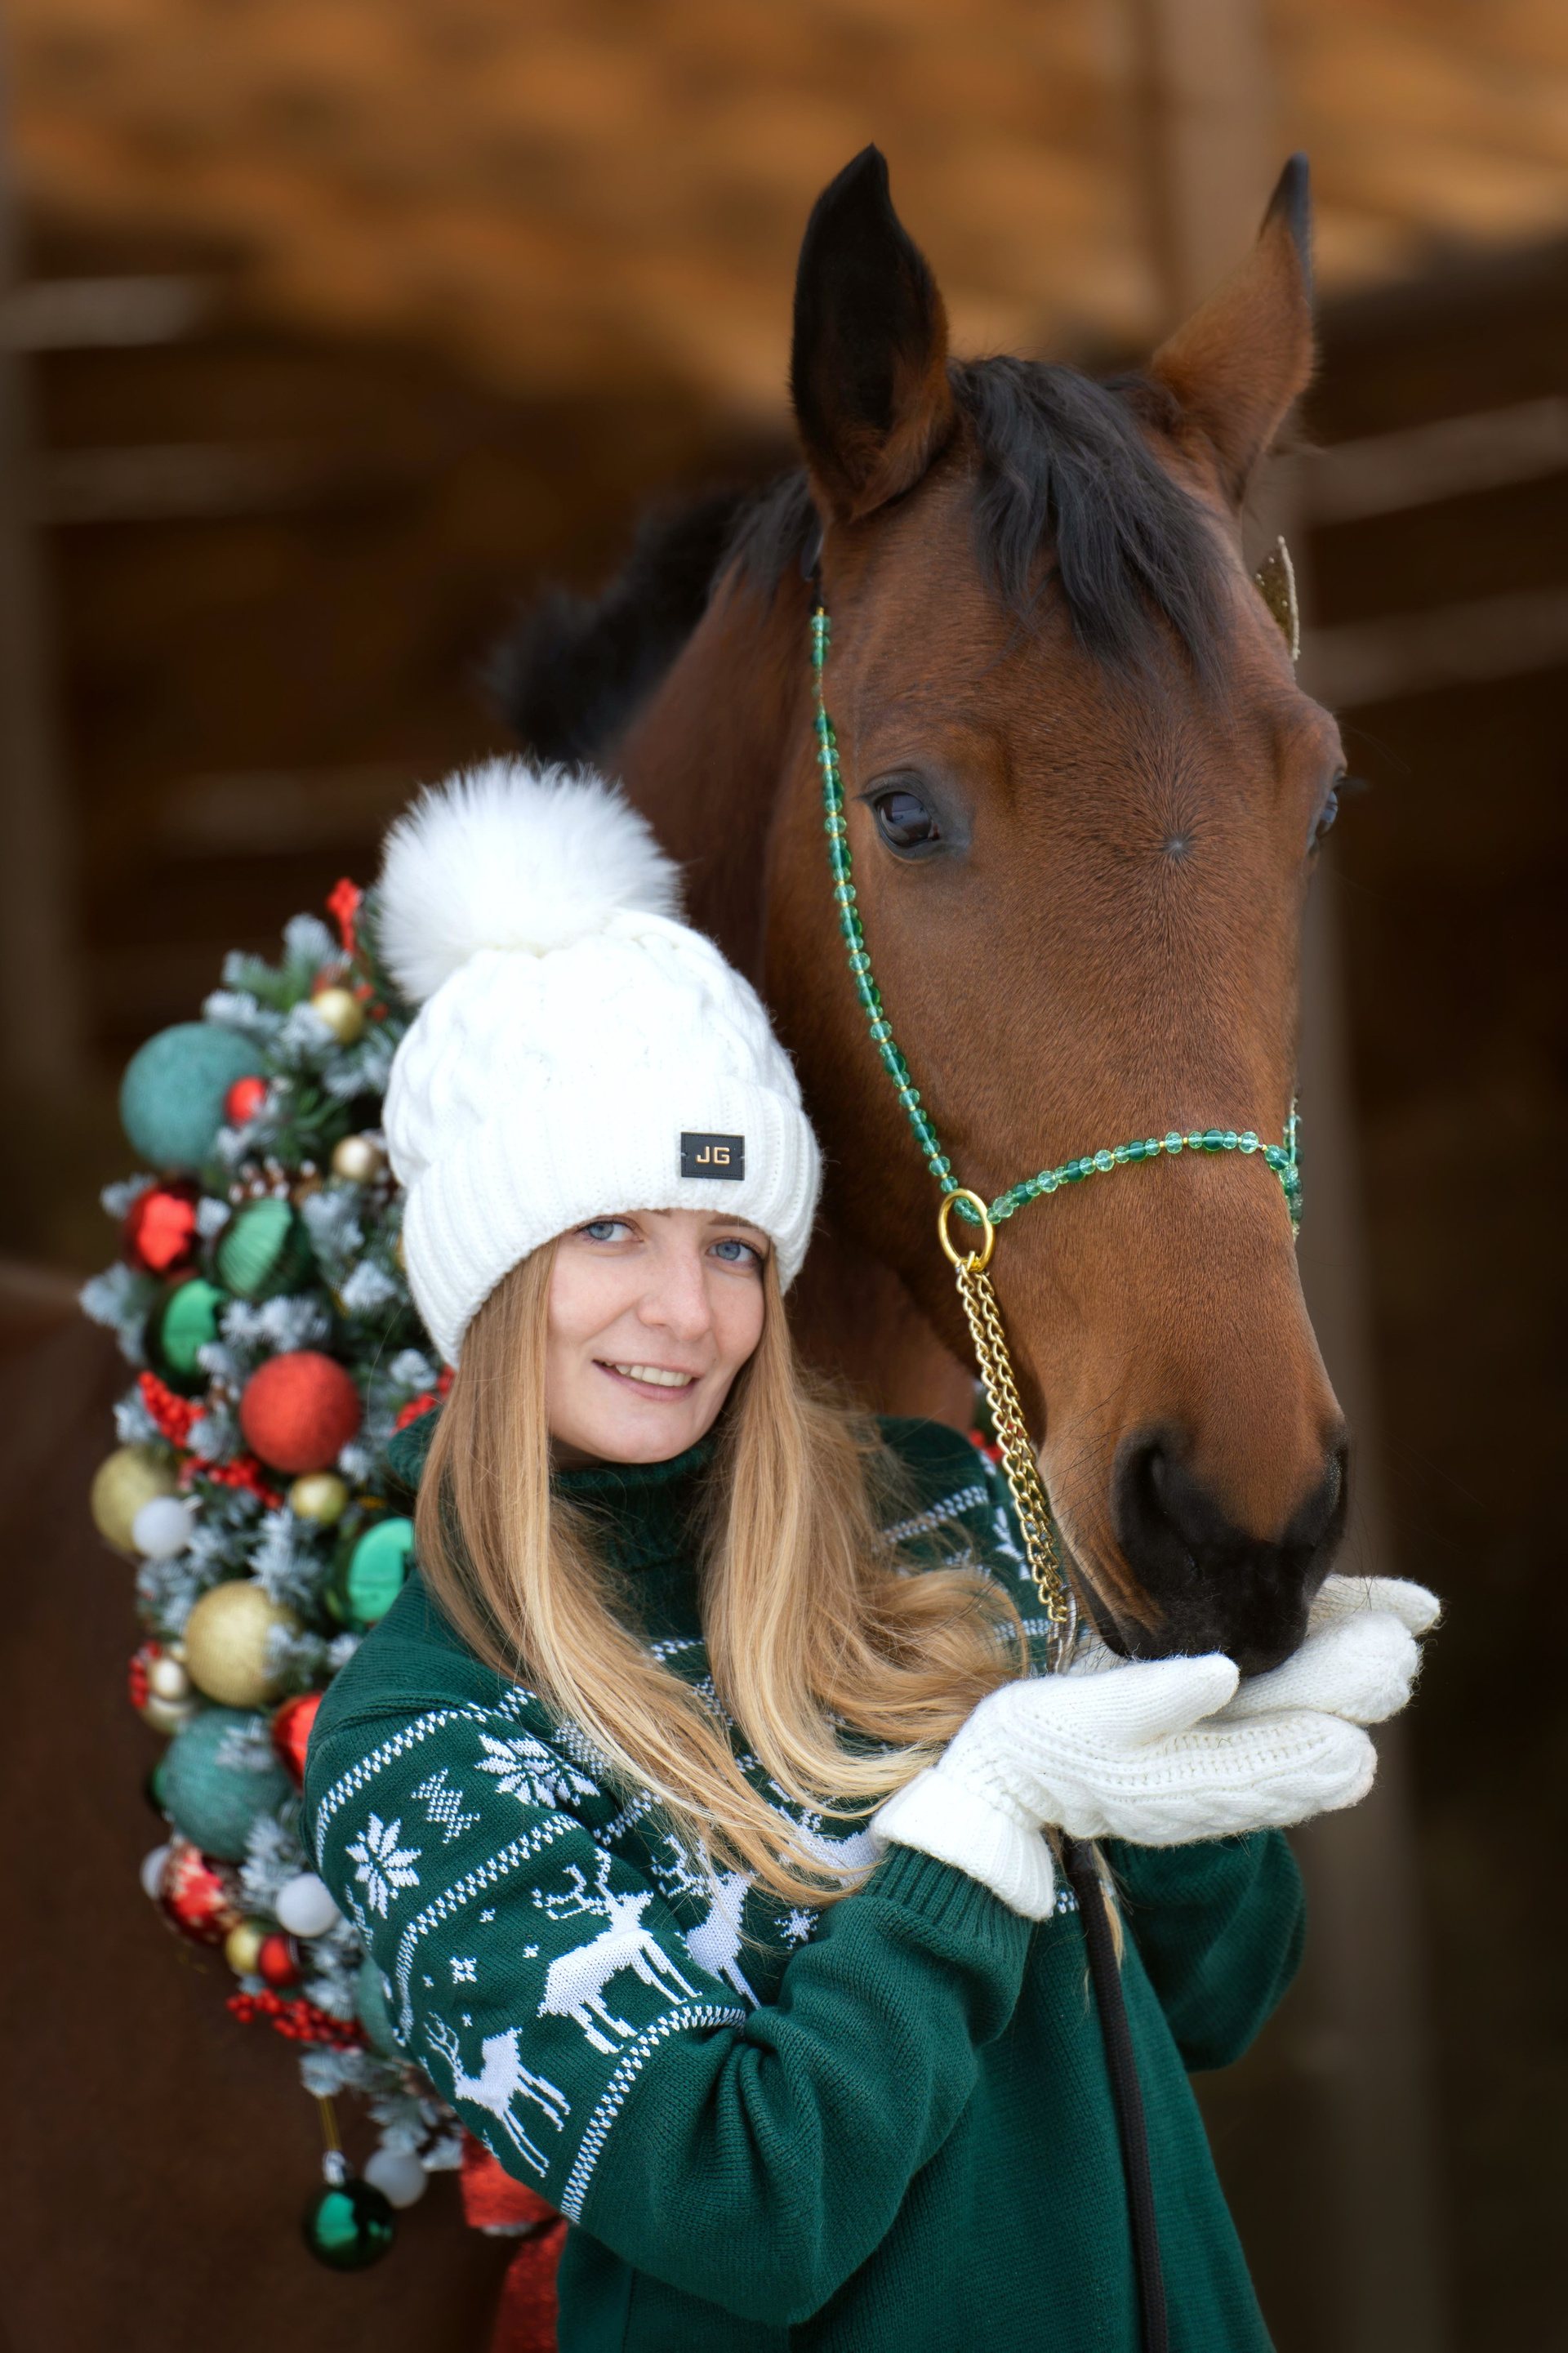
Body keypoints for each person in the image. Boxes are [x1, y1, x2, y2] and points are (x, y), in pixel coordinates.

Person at [304, 761, 1437, 2352]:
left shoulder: (934, 1507)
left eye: (731, 1245)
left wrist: (1184, 1717)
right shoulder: (427, 1732)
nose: (683, 1312)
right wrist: (972, 1831)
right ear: (489, 1271)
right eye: (609, 1230)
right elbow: (746, 2204)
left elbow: (1218, 1994)